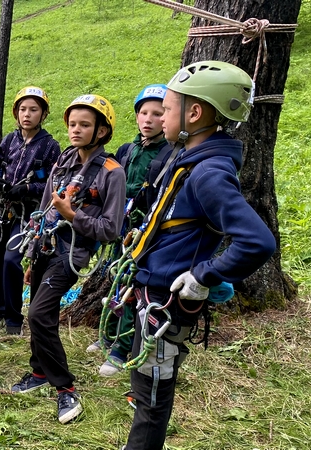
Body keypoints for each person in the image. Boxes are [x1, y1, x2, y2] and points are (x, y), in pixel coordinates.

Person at [123, 61, 276, 450]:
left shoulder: (208, 171)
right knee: (146, 389)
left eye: (168, 108)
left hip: (166, 303)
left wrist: (204, 274)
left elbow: (256, 240)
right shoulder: (185, 156)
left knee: (152, 399)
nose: (161, 117)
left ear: (193, 113)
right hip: (152, 291)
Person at [12, 94, 125, 424]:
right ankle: (38, 372)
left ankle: (65, 389)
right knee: (37, 311)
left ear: (102, 131)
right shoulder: (63, 161)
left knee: (39, 314)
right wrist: (32, 257)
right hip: (46, 248)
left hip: (71, 253)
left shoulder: (111, 172)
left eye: (85, 125)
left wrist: (73, 214)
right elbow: (44, 212)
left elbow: (111, 229)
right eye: (72, 124)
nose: (76, 130)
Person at [87, 84, 172, 377]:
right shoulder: (126, 150)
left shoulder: (169, 155)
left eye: (157, 114)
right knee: (113, 280)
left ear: (167, 118)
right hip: (119, 228)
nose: (148, 119)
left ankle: (120, 351)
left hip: (143, 233)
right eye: (143, 113)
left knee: (130, 289)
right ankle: (107, 334)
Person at [0, 86, 61, 335]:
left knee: (11, 260)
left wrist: (27, 188)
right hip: (2, 209)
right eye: (22, 109)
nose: (27, 114)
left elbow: (52, 182)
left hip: (27, 213)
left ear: (43, 113)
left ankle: (14, 317)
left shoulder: (50, 146)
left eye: (33, 109)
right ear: (15, 113)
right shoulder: (10, 140)